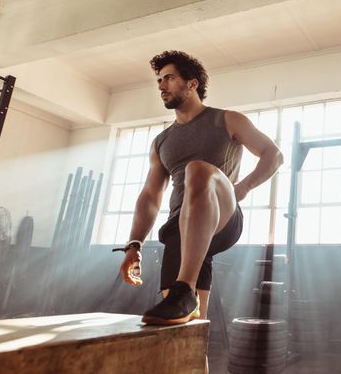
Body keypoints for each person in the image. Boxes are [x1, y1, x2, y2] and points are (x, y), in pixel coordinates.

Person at [115, 50, 283, 325]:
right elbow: (150, 196)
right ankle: (185, 294)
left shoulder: (227, 119)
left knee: (198, 168)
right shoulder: (162, 141)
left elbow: (273, 155)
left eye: (168, 78)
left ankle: (184, 289)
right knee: (182, 330)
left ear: (192, 84)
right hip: (180, 231)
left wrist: (243, 188)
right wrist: (134, 245)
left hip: (223, 216)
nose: (161, 86)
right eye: (159, 80)